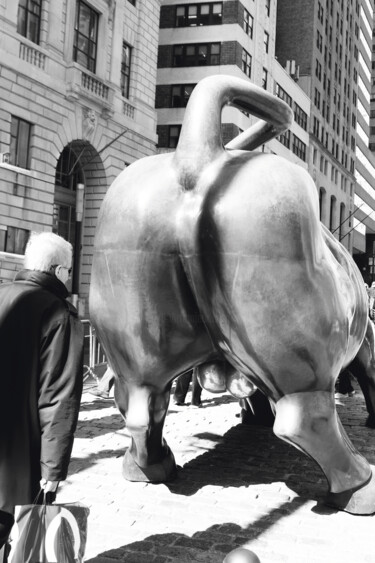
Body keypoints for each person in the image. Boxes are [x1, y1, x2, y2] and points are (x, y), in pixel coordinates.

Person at [0, 232, 84, 550]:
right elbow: (58, 398)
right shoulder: (58, 313)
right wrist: (53, 467)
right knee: (22, 542)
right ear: (59, 270)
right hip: (22, 461)